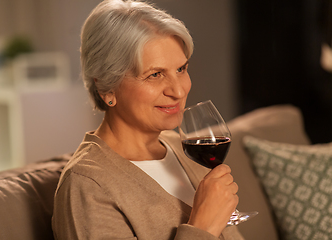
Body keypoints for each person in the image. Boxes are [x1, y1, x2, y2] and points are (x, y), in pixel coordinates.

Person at [52, 0, 244, 239]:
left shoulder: (178, 146)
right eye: (155, 74)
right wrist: (202, 227)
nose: (178, 90)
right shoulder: (88, 186)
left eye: (181, 69)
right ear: (107, 88)